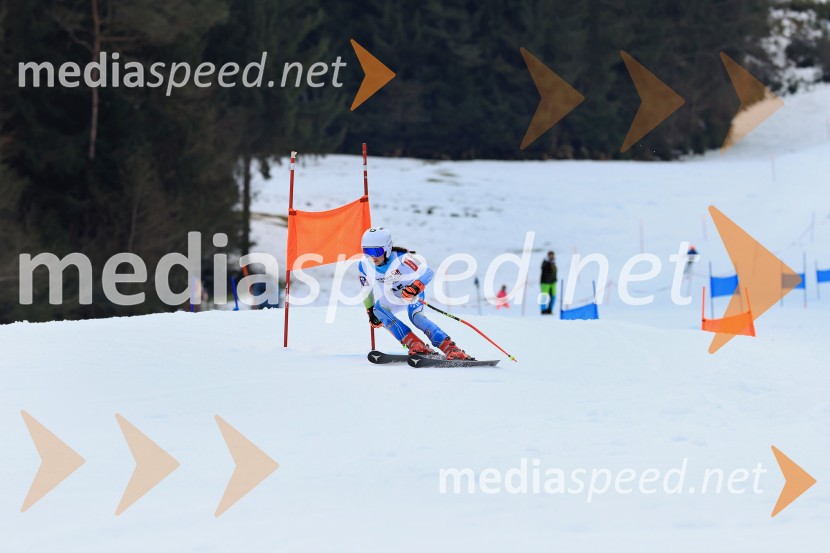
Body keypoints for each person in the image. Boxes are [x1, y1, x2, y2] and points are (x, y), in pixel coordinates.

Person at [359, 227, 472, 359]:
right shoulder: (364, 265)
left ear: (387, 249)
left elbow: (428, 272)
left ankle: (451, 348)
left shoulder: (402, 259)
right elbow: (366, 290)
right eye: (367, 251)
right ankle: (416, 344)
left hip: (412, 295)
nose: (371, 257)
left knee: (416, 317)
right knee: (378, 311)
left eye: (376, 251)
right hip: (393, 297)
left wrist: (415, 287)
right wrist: (370, 311)